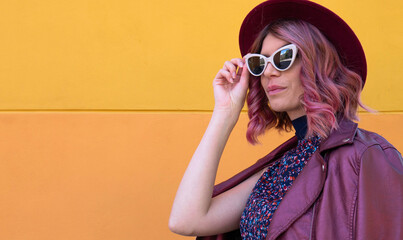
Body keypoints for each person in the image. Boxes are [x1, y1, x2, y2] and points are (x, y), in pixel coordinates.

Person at [168, 0, 403, 239]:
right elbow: (185, 220)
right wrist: (225, 112)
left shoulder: (366, 156)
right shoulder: (280, 168)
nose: (269, 71)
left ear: (318, 62)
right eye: (260, 63)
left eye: (283, 58)